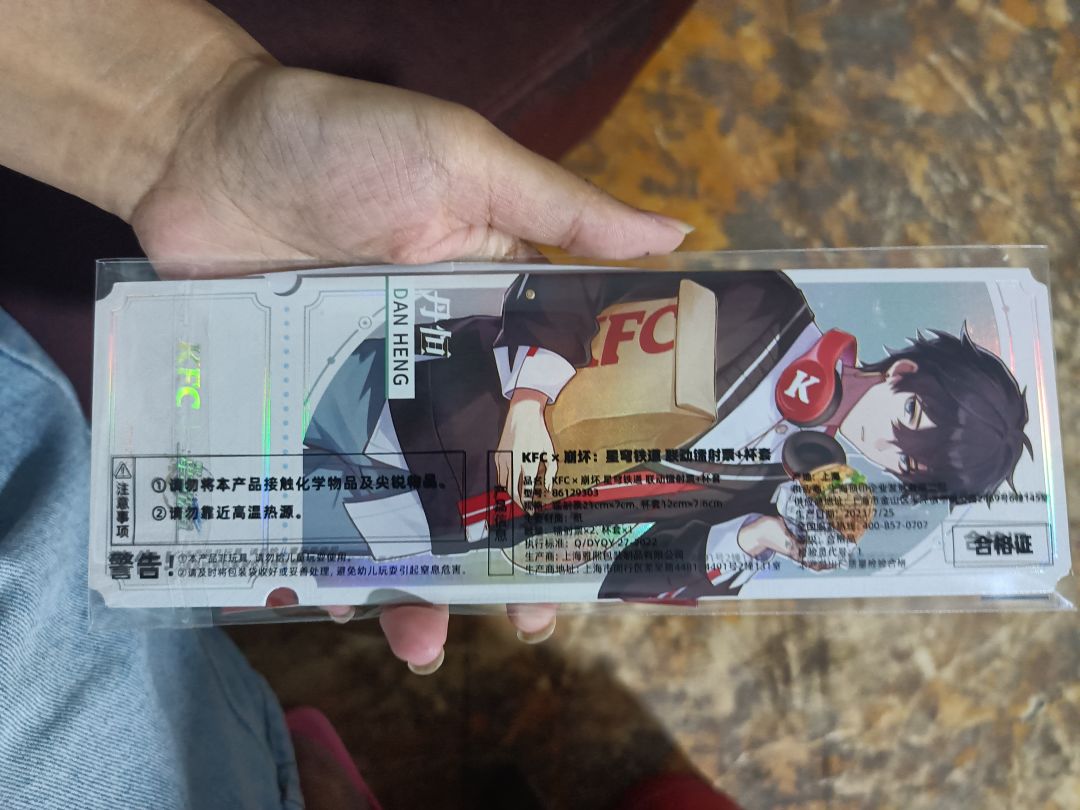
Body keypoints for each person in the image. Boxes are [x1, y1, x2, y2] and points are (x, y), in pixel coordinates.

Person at [0, 1, 693, 807]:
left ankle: (285, 772)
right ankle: (288, 772)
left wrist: (187, 121)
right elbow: (551, 312)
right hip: (315, 398)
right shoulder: (549, 363)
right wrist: (532, 402)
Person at [302, 268, 1030, 599]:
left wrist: (753, 539)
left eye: (903, 467)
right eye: (909, 420)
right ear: (902, 373)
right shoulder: (766, 302)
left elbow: (628, 576)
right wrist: (528, 399)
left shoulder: (782, 494)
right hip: (419, 388)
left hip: (433, 522)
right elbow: (583, 281)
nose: (884, 445)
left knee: (254, 539)